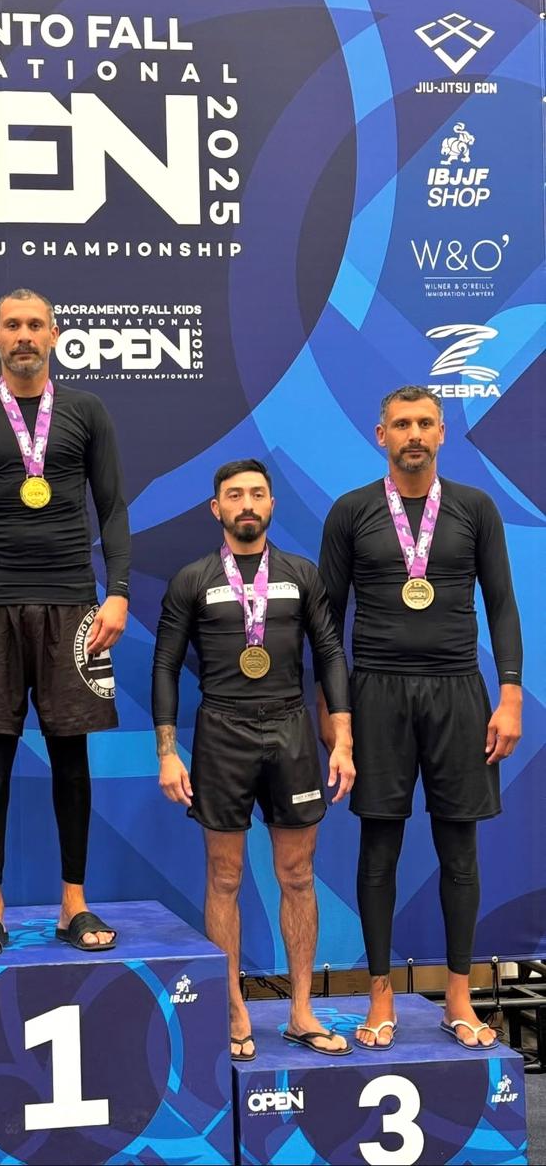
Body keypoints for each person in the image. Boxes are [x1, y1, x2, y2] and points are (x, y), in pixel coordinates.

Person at [318, 385, 522, 1051]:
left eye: (425, 423)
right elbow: (326, 622)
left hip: (458, 691)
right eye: (402, 423)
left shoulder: (475, 508)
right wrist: (335, 713)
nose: (414, 434)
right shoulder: (351, 512)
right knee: (379, 846)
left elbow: (502, 603)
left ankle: (458, 999)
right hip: (376, 693)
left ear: (441, 433)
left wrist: (511, 694)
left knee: (459, 847)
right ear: (381, 434)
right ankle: (380, 997)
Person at [0, 289, 130, 956]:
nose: (23, 335)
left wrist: (118, 593)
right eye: (12, 325)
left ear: (54, 333)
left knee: (72, 754)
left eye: (35, 324)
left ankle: (74, 902)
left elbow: (113, 507)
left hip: (74, 604)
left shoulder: (87, 410)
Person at [153, 459, 355, 1062]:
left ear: (272, 505)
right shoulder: (191, 579)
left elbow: (331, 656)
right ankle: (233, 1008)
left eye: (257, 494)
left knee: (298, 874)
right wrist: (167, 753)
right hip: (222, 732)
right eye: (235, 494)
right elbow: (165, 666)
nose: (247, 503)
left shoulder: (301, 575)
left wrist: (343, 740)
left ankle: (301, 1011)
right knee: (225, 876)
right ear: (216, 508)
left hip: (291, 730)